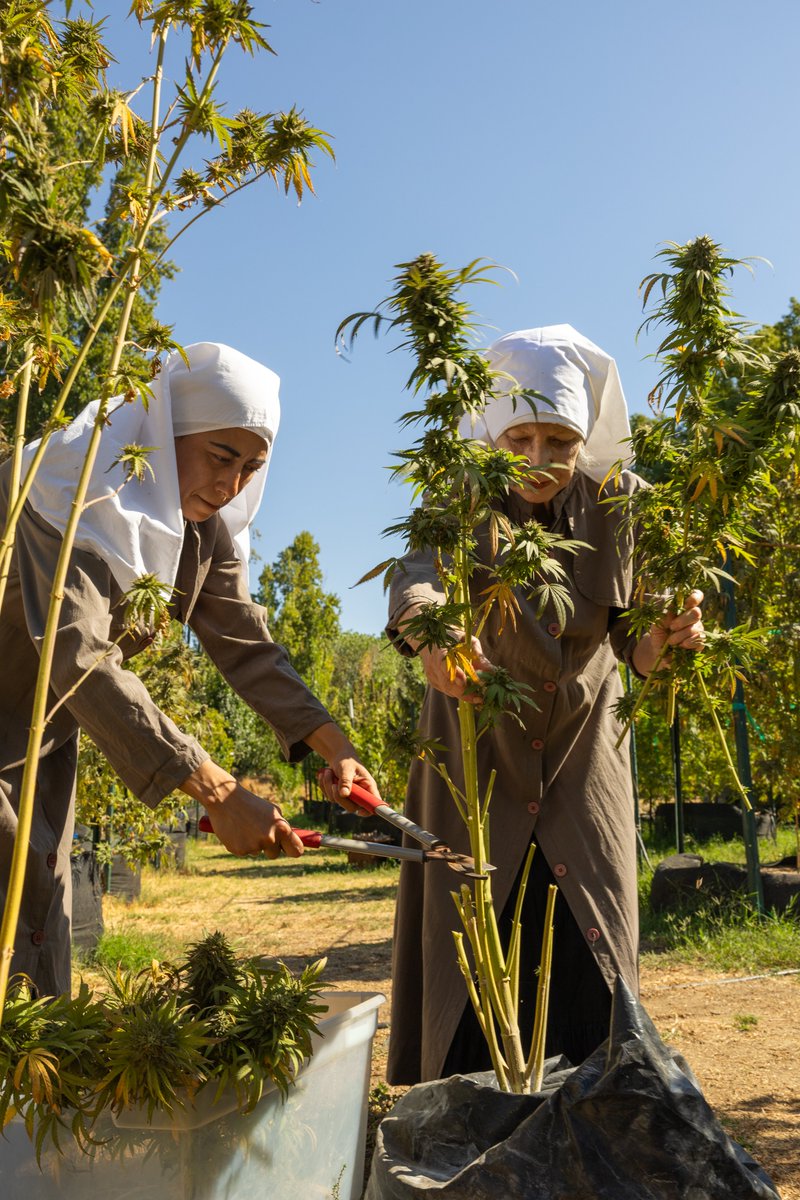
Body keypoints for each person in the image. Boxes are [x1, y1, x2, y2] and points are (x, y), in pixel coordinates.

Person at [0, 342, 378, 998]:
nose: (231, 486)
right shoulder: (72, 490)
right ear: (164, 433)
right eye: (220, 457)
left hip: (37, 738)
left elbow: (247, 645)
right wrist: (220, 793)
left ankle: (28, 1096)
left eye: (252, 469)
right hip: (27, 711)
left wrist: (334, 745)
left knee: (35, 919)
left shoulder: (198, 530)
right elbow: (80, 655)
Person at [385, 325, 705, 1084]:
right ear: (493, 429)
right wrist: (435, 633)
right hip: (479, 759)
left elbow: (642, 640)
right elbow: (416, 577)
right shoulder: (459, 495)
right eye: (519, 437)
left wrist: (674, 630)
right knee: (472, 964)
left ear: (584, 432)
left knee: (587, 960)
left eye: (558, 440)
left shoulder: (625, 503)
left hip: (580, 762)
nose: (537, 460)